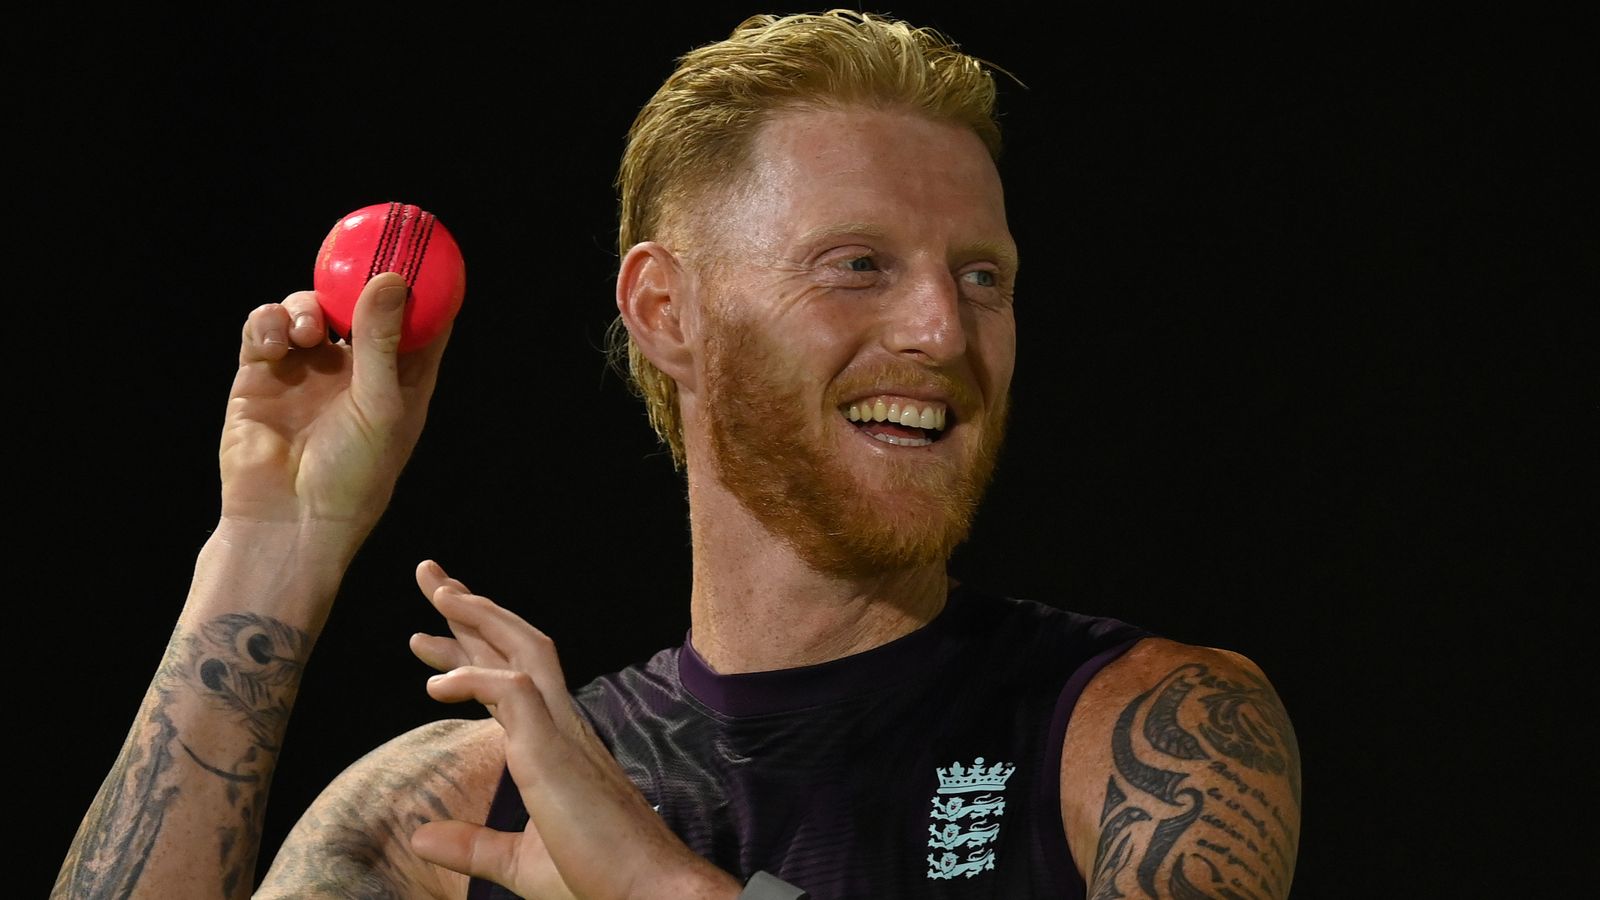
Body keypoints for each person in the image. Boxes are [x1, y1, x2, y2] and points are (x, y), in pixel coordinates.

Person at [54, 11, 1301, 900]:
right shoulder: (471, 810)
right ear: (668, 314)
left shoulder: (1144, 728)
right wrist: (270, 554)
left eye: (983, 276)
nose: (941, 328)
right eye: (858, 264)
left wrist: (653, 887)